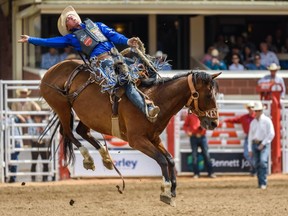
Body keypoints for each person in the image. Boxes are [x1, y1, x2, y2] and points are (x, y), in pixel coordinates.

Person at [18, 5, 160, 122]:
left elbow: (113, 35)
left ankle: (158, 95)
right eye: (68, 19)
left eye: (71, 15)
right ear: (68, 26)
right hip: (103, 63)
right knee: (126, 81)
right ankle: (146, 109)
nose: (71, 17)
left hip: (117, 56)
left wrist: (127, 41)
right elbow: (50, 42)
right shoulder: (72, 38)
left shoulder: (96, 26)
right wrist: (31, 39)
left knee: (147, 66)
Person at [223, 102, 256, 175]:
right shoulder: (244, 117)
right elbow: (234, 120)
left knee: (254, 154)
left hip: (257, 137)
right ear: (248, 109)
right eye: (250, 108)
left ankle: (255, 168)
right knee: (247, 154)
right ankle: (256, 167)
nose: (251, 109)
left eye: (252, 107)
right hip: (249, 137)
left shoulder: (257, 117)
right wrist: (225, 120)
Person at [248, 101, 275, 189]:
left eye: (256, 111)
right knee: (257, 164)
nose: (255, 112)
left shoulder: (267, 120)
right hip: (255, 144)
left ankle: (263, 182)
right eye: (255, 111)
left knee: (263, 162)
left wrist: (263, 143)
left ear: (260, 111)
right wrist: (250, 149)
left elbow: (271, 133)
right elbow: (250, 136)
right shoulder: (253, 122)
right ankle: (260, 182)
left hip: (264, 144)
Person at [183, 113, 216, 178]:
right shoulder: (190, 116)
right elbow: (185, 125)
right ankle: (196, 173)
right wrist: (187, 132)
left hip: (202, 137)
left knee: (206, 154)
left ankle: (210, 172)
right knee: (194, 155)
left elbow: (207, 125)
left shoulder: (204, 115)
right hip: (194, 137)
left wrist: (202, 129)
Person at [28, 114, 49, 182]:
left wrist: (43, 131)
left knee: (45, 162)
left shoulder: (44, 125)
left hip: (43, 144)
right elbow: (30, 135)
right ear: (34, 118)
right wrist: (36, 132)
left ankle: (45, 178)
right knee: (34, 162)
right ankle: (33, 178)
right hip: (35, 144)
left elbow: (48, 135)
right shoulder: (32, 125)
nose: (38, 118)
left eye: (39, 117)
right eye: (36, 117)